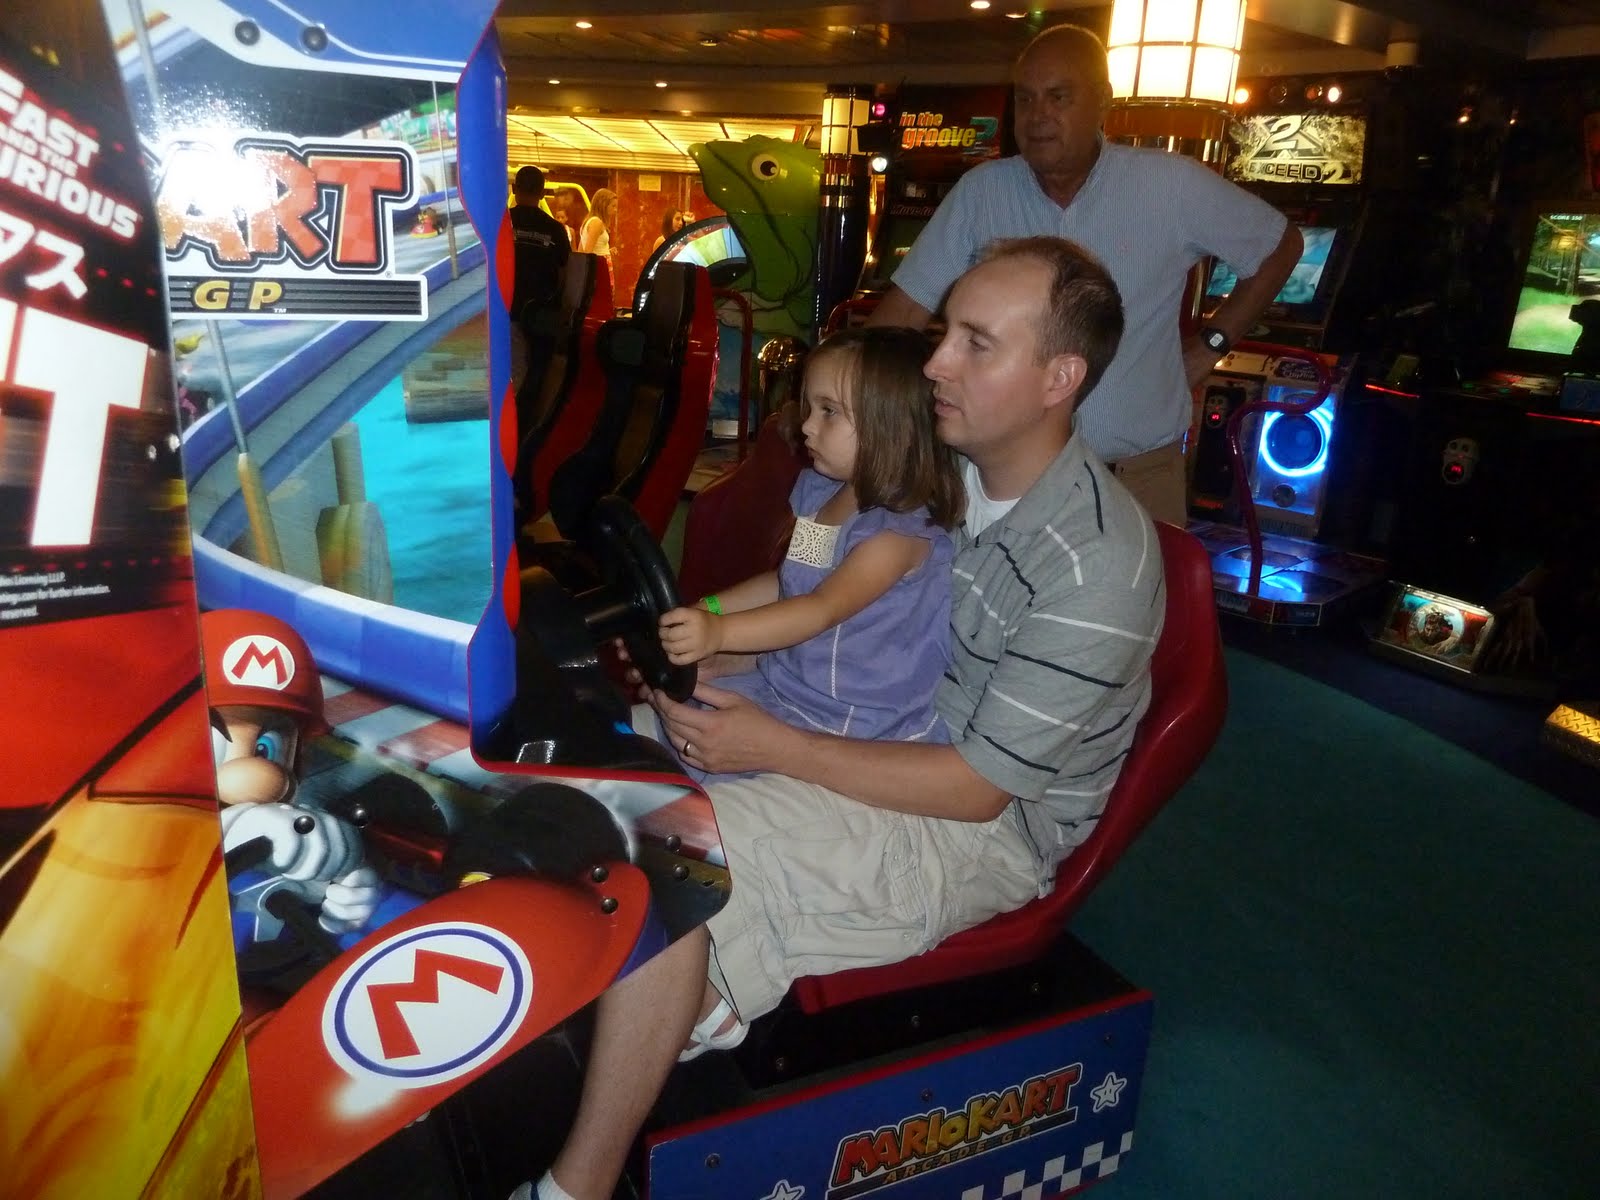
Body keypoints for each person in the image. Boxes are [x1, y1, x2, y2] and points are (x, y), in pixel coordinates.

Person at [514, 236, 1163, 1200]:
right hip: (858, 722)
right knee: (598, 764)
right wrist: (715, 640)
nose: (934, 362)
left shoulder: (1094, 568)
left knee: (665, 850)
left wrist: (772, 744)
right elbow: (810, 587)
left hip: (976, 824)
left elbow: (981, 791)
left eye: (976, 343)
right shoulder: (924, 460)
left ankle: (581, 1182)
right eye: (944, 333)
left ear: (1058, 378)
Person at [866, 22, 1303, 526]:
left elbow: (1281, 245)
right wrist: (842, 399)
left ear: (1103, 102)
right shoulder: (982, 192)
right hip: (1000, 482)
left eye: (1058, 97)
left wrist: (1210, 347)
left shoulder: (1169, 184)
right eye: (1026, 99)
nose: (1038, 116)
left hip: (1134, 478)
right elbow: (904, 309)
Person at [656, 326, 963, 785]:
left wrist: (720, 632)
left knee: (700, 768)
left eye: (829, 412)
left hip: (850, 719)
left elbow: (820, 607)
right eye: (810, 407)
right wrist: (710, 608)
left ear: (892, 427)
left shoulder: (894, 538)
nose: (806, 426)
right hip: (793, 684)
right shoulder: (825, 497)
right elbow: (790, 580)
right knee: (671, 726)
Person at [508, 165, 571, 393]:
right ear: (543, 193)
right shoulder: (555, 230)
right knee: (537, 374)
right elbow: (566, 273)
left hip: (504, 310)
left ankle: (513, 412)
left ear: (514, 189)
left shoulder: (500, 224)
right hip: (542, 315)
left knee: (510, 372)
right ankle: (529, 410)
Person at [579, 187, 618, 268]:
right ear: (603, 205)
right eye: (613, 206)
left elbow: (581, 249)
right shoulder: (596, 222)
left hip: (599, 263)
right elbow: (587, 253)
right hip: (599, 266)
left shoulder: (590, 221)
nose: (615, 210)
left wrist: (607, 251)